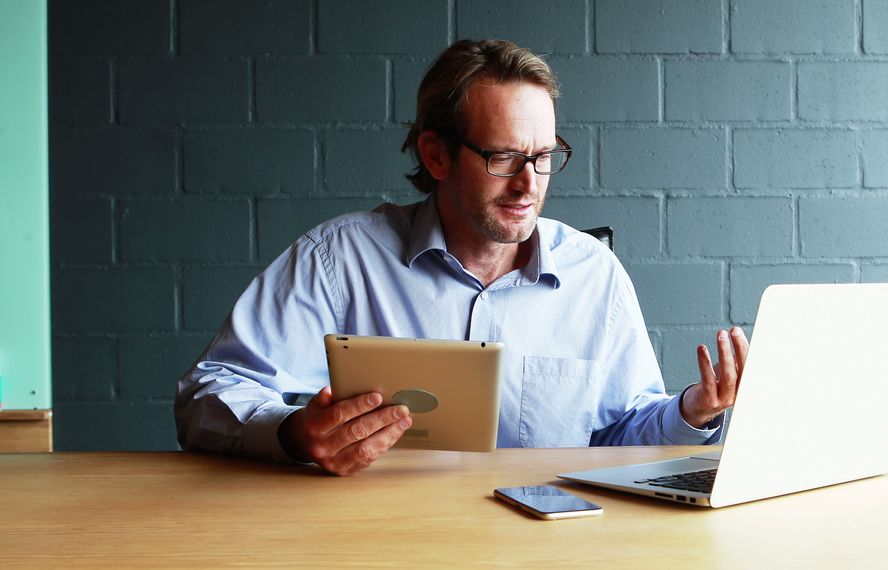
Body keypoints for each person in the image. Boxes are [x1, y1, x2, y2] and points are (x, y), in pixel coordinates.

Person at [175, 39, 748, 476]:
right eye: (503, 157)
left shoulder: (593, 276)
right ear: (437, 154)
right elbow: (209, 391)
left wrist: (691, 412)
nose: (529, 184)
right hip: (380, 547)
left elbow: (620, 438)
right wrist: (295, 433)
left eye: (544, 156)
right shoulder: (339, 260)